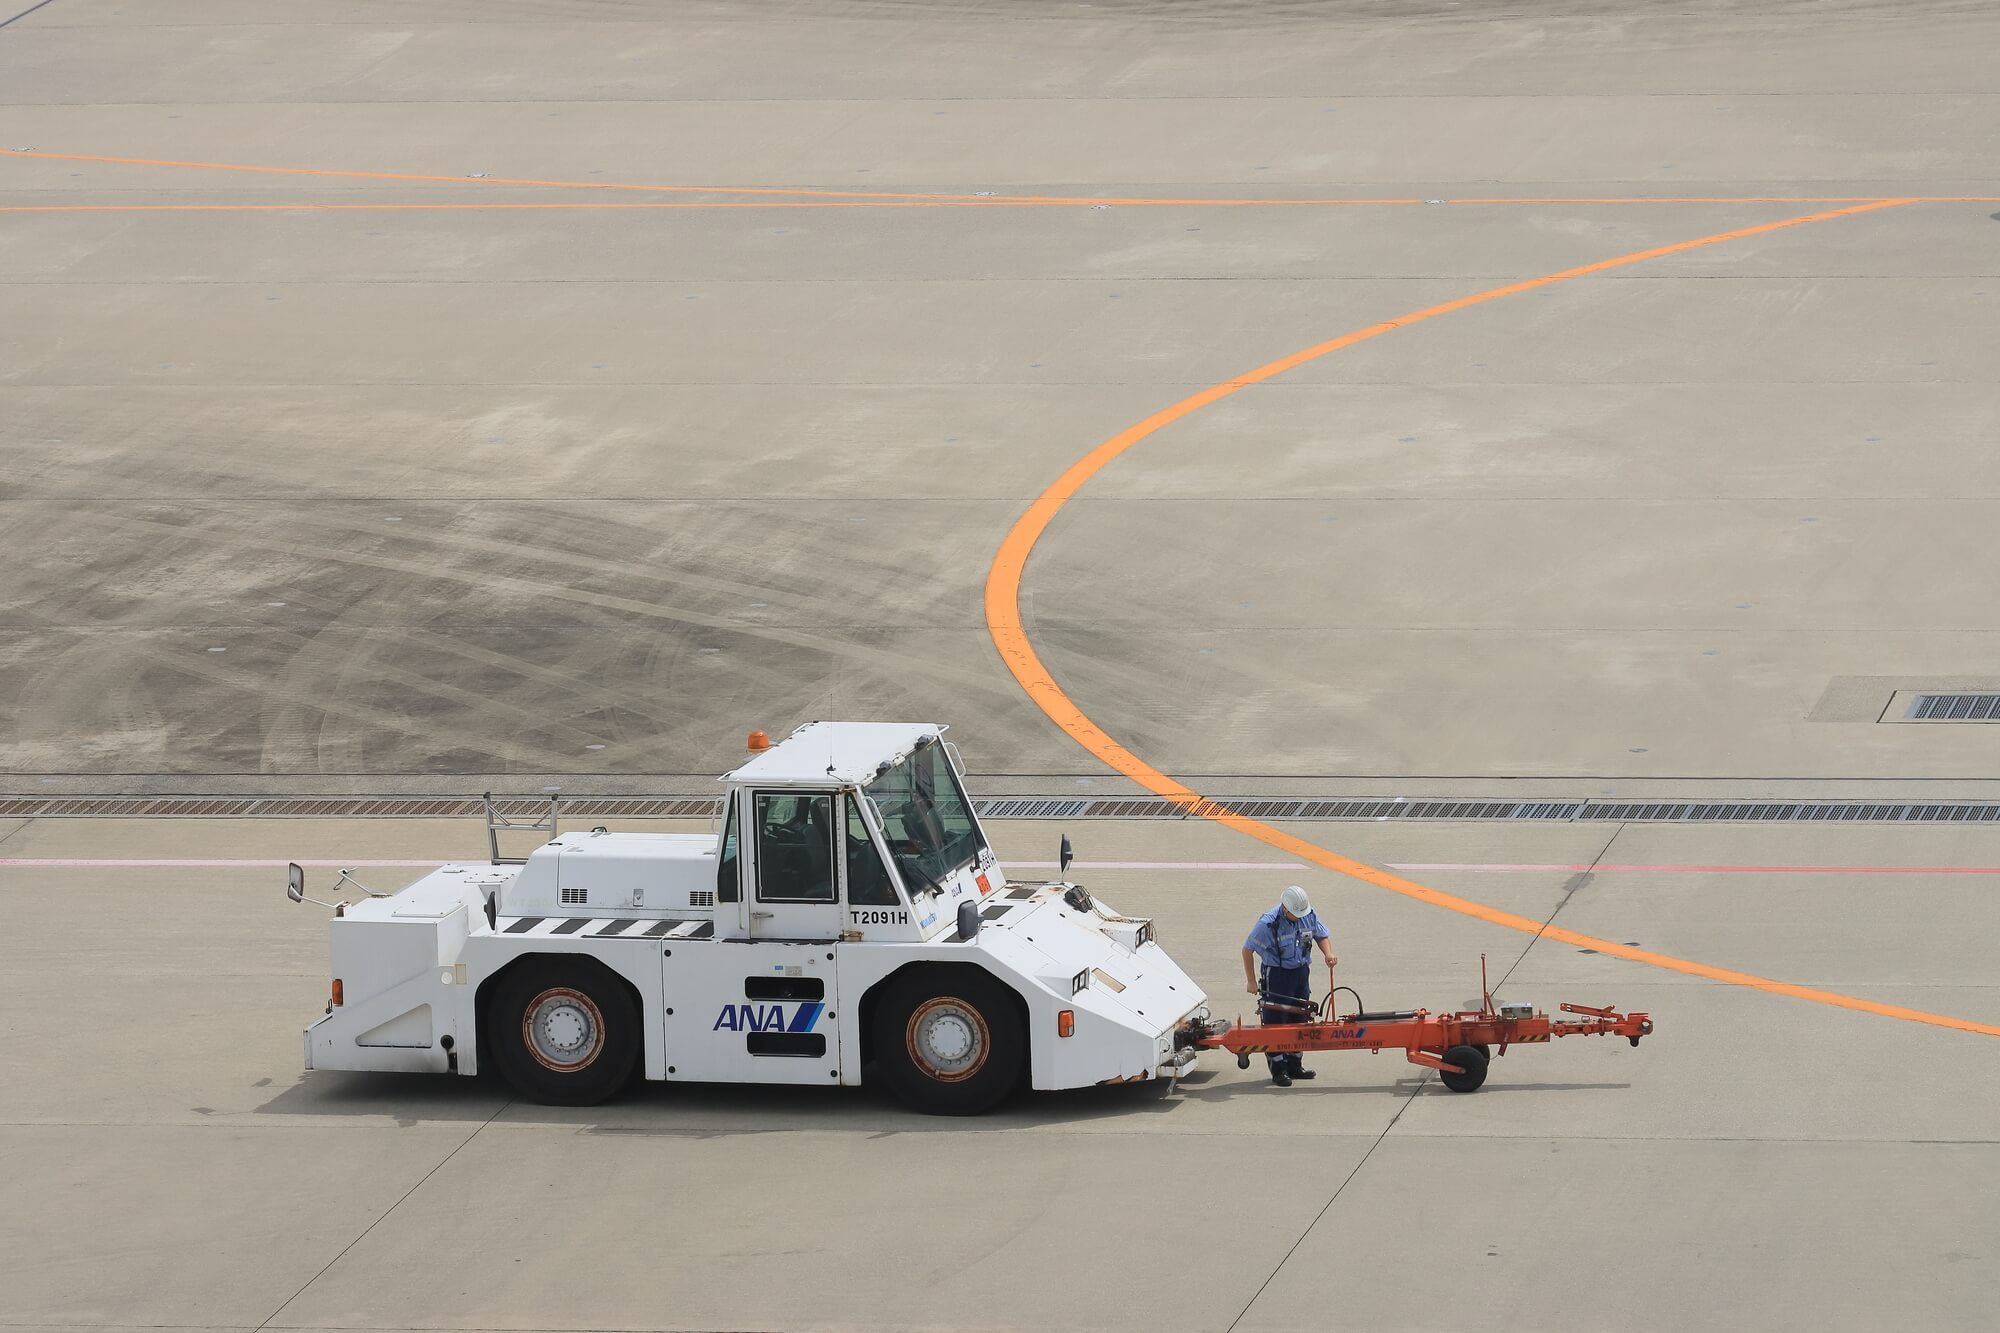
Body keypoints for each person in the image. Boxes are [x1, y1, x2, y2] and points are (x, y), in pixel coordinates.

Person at [1241, 884, 1337, 1086]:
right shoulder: (1267, 924)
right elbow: (1247, 949)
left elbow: (1321, 934)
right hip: (1276, 975)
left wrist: (1328, 953)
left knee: (1300, 1017)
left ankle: (1295, 1065)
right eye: (1295, 914)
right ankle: (1279, 1070)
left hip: (1300, 973)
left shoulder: (1308, 914)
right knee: (1275, 1021)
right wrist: (1250, 980)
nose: (1300, 917)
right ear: (1285, 909)